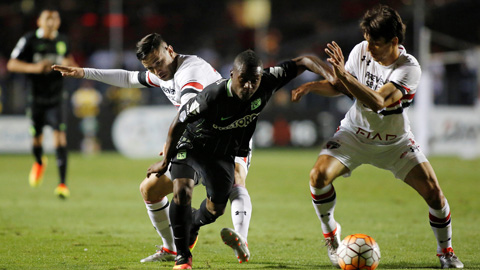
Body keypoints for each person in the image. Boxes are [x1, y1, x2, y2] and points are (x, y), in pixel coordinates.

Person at [53, 33, 254, 263]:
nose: (157, 70)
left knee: (237, 179)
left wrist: (173, 141)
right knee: (150, 189)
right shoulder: (163, 72)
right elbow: (129, 78)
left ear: (170, 50)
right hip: (198, 143)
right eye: (151, 66)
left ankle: (241, 239)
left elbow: (187, 111)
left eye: (158, 62)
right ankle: (170, 249)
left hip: (232, 134)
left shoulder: (191, 72)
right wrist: (84, 72)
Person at [291, 5, 464, 269]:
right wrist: (313, 86)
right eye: (367, 41)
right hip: (354, 133)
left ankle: (446, 251)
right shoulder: (361, 50)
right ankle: (332, 235)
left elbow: (378, 101)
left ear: (394, 42)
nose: (369, 49)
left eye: (377, 44)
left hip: (394, 143)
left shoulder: (409, 68)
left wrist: (343, 74)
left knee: (435, 195)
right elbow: (342, 85)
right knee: (318, 176)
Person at [147, 49, 339, 269]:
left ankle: (193, 223)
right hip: (193, 145)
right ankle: (182, 257)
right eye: (243, 80)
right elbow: (179, 122)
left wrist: (331, 75)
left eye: (254, 81)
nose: (248, 86)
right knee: (182, 191)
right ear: (232, 74)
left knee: (215, 209)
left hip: (223, 153)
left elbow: (304, 60)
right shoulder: (212, 96)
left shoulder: (268, 80)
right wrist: (165, 162)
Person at [7, 8, 78, 199]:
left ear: (58, 22)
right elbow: (12, 64)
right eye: (47, 19)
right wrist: (35, 68)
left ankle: (62, 184)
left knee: (60, 139)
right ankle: (39, 162)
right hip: (36, 99)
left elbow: (72, 63)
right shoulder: (29, 40)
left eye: (54, 19)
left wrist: (70, 66)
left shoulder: (62, 41)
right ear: (39, 21)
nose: (51, 22)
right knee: (36, 140)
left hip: (57, 98)